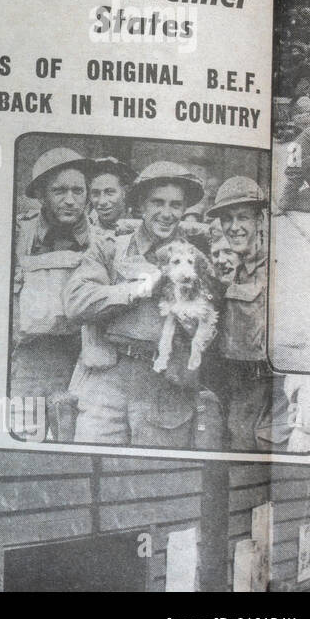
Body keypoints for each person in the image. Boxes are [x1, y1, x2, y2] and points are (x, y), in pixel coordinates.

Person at [64, 161, 210, 447]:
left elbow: (206, 326)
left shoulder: (193, 260)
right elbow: (75, 302)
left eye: (176, 205)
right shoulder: (110, 248)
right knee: (90, 465)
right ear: (141, 204)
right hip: (107, 380)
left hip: (164, 384)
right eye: (158, 202)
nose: (167, 214)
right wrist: (137, 290)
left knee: (155, 478)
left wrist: (187, 304)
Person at [10, 148, 91, 441]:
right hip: (28, 363)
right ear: (43, 194)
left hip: (81, 366)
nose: (70, 200)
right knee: (26, 439)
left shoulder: (101, 240)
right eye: (59, 191)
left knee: (72, 447)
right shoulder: (18, 234)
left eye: (78, 191)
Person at [205, 177, 275, 451]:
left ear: (260, 220)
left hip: (268, 393)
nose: (234, 227)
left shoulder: (275, 264)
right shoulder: (239, 268)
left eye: (243, 217)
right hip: (239, 392)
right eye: (227, 219)